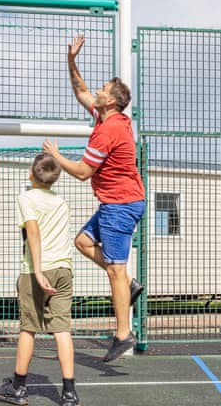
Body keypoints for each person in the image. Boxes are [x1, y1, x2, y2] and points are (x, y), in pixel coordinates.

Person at [43, 34, 145, 363]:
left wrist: (56, 156)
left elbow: (84, 172)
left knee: (115, 270)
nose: (97, 92)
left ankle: (123, 334)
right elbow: (81, 91)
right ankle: (128, 285)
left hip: (120, 205)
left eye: (103, 90)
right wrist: (72, 60)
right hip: (114, 202)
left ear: (111, 102)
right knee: (83, 242)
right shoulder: (109, 116)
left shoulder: (108, 130)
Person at [0, 153, 79, 406]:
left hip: (36, 271)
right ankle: (69, 393)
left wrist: (39, 271)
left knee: (28, 329)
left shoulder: (26, 198)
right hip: (64, 269)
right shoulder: (62, 202)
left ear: (31, 173)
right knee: (62, 330)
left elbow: (33, 232)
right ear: (56, 178)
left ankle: (19, 387)